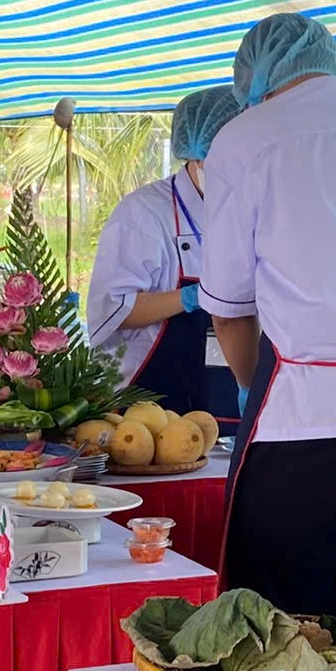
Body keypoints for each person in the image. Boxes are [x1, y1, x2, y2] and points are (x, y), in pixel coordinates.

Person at [201, 14, 336, 613]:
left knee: (283, 629)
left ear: (255, 77)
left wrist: (252, 388)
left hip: (294, 431)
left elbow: (228, 308)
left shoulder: (245, 139)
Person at [85, 85, 244, 423]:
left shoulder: (247, 207)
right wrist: (191, 298)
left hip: (225, 398)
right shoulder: (143, 213)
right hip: (147, 408)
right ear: (197, 155)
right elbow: (114, 308)